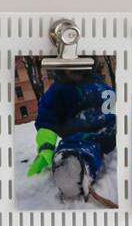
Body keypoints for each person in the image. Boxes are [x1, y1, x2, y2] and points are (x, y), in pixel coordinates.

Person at [25, 69, 116, 201]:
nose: (75, 69)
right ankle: (75, 168)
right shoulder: (59, 91)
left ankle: (78, 163)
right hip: (86, 136)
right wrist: (46, 145)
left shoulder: (97, 83)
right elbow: (46, 119)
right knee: (81, 145)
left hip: (107, 130)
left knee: (80, 143)